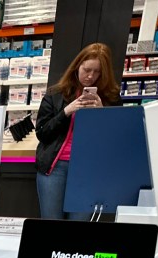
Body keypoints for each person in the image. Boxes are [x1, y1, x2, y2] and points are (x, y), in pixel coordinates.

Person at [35, 42, 121, 219]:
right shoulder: (56, 94)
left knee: (78, 230)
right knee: (50, 225)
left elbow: (116, 141)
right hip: (55, 167)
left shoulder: (111, 98)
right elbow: (42, 133)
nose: (90, 76)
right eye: (86, 69)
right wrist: (66, 111)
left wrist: (102, 114)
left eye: (96, 72)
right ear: (77, 66)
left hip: (88, 170)